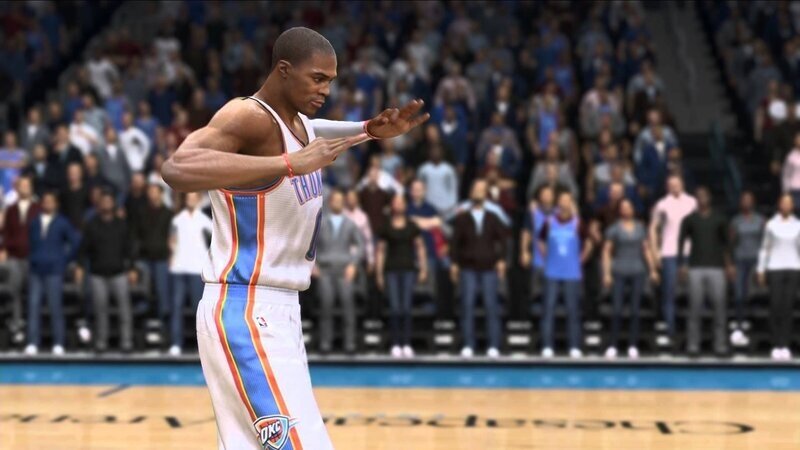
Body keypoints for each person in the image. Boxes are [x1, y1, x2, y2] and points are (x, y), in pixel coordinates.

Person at [161, 27, 428, 450]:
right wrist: (287, 164)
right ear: (284, 70)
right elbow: (177, 168)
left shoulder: (298, 123)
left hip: (279, 308)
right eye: (317, 78)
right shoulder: (247, 115)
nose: (326, 90)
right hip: (246, 307)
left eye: (330, 81)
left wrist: (367, 130)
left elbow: (316, 132)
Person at [450, 179, 507, 358]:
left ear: (486, 194)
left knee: (491, 306)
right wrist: (454, 263)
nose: (478, 192)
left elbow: (503, 240)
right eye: (476, 189)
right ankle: (468, 344)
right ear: (471, 193)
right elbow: (454, 243)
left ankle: (493, 345)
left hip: (489, 268)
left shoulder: (493, 217)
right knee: (467, 306)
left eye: (482, 189)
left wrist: (502, 260)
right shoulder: (462, 217)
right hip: (468, 268)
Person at [77, 190, 135, 353]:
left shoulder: (121, 224)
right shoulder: (92, 225)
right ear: (99, 204)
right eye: (103, 201)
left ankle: (126, 342)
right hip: (98, 274)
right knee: (100, 311)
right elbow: (83, 249)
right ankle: (101, 342)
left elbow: (129, 248)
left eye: (109, 201)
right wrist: (80, 267)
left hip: (119, 273)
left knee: (125, 310)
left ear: (113, 204)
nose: (106, 204)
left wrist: (132, 268)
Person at [678, 187, 733, 356]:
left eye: (704, 196)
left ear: (710, 198)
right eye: (699, 196)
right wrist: (682, 264)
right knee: (694, 308)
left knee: (720, 309)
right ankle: (693, 345)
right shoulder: (689, 219)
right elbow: (681, 242)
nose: (702, 199)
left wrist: (729, 265)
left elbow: (727, 244)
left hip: (717, 268)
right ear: (696, 199)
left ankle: (720, 345)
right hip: (695, 267)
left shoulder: (720, 219)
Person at [23, 192, 80, 355]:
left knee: (55, 307)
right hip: (36, 269)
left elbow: (75, 242)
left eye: (51, 201)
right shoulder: (34, 222)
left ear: (56, 204)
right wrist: (32, 258)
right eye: (45, 201)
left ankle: (58, 342)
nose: (47, 204)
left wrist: (63, 259)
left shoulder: (62, 222)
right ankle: (32, 342)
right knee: (33, 306)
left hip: (54, 270)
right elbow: (30, 242)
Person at [538, 191, 594, 358]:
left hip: (572, 273)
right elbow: (540, 240)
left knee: (573, 310)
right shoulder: (549, 222)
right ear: (558, 203)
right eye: (561, 200)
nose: (564, 203)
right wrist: (546, 256)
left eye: (567, 200)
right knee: (548, 309)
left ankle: (574, 346)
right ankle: (547, 345)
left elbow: (589, 242)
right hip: (552, 272)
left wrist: (581, 259)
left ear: (571, 203)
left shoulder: (578, 223)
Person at [602, 198, 658, 359]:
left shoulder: (640, 228)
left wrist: (653, 269)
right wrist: (606, 273)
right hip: (619, 271)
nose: (626, 210)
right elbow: (606, 251)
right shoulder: (614, 229)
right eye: (623, 207)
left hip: (638, 271)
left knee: (635, 310)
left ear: (633, 209)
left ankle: (633, 345)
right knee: (617, 309)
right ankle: (613, 345)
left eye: (629, 207)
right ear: (620, 210)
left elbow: (646, 250)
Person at [376, 194, 427, 358]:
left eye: (401, 202)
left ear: (405, 205)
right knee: (395, 308)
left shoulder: (412, 226)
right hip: (391, 270)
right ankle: (396, 343)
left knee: (406, 308)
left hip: (408, 270)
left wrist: (424, 268)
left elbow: (420, 247)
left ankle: (407, 343)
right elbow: (381, 251)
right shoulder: (386, 226)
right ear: (392, 205)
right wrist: (379, 273)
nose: (398, 205)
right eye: (395, 202)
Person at [314, 189, 365, 354]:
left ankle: (349, 343)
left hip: (344, 270)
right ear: (330, 202)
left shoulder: (350, 223)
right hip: (325, 270)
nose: (338, 202)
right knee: (325, 306)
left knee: (348, 306)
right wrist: (313, 265)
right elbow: (310, 245)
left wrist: (353, 264)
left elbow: (361, 246)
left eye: (340, 200)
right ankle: (325, 343)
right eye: (335, 200)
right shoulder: (321, 222)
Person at [648, 174, 696, 346]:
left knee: (692, 293)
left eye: (677, 183)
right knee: (669, 293)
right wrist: (655, 252)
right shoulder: (662, 204)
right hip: (669, 252)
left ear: (682, 184)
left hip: (689, 252)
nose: (674, 186)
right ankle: (671, 332)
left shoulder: (692, 202)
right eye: (671, 184)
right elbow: (653, 228)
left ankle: (691, 333)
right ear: (667, 186)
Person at [168, 191, 212, 356]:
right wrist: (173, 253)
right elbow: (172, 240)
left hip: (197, 269)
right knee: (176, 306)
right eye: (189, 198)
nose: (191, 200)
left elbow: (215, 239)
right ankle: (176, 343)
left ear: (199, 200)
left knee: (197, 309)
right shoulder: (178, 220)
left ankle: (200, 345)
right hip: (179, 268)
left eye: (194, 198)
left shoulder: (204, 220)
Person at [756, 193, 800, 360]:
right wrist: (761, 269)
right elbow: (765, 248)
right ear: (779, 205)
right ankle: (775, 344)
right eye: (784, 202)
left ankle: (785, 345)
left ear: (793, 206)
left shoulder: (798, 225)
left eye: (789, 203)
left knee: (788, 308)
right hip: (775, 268)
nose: (786, 205)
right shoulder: (771, 224)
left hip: (793, 268)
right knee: (775, 307)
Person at [0, 177, 40, 342]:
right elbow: (6, 232)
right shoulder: (11, 209)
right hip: (15, 256)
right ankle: (16, 325)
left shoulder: (38, 208)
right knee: (14, 291)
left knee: (33, 293)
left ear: (31, 188)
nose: (24, 188)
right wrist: (3, 249)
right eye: (21, 185)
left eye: (27, 185)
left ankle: (31, 329)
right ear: (17, 188)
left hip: (33, 257)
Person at [729, 191, 765, 346]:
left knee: (752, 294)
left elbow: (765, 243)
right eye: (744, 200)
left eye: (749, 200)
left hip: (755, 261)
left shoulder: (760, 220)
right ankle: (739, 324)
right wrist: (730, 264)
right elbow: (730, 244)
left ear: (753, 202)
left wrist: (763, 266)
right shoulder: (735, 221)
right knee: (739, 294)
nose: (747, 202)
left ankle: (753, 326)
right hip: (739, 261)